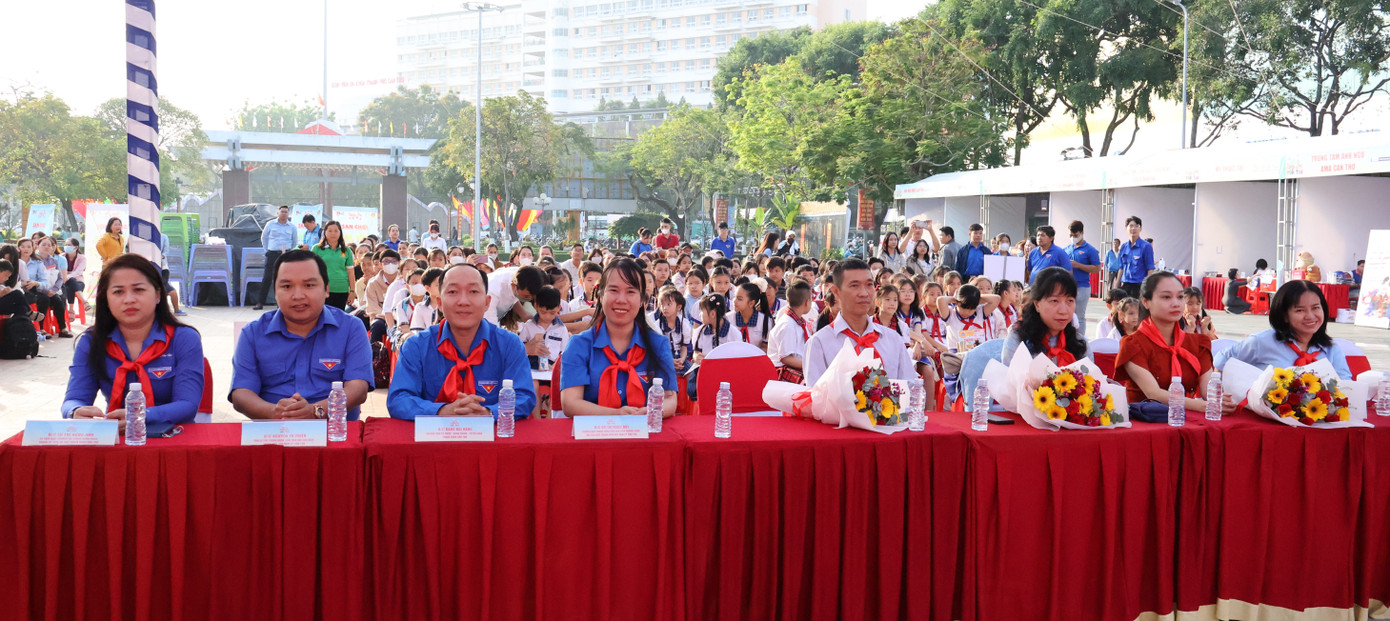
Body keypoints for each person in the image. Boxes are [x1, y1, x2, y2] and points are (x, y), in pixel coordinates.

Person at [62, 254, 204, 430]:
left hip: (173, 436)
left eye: (138, 290)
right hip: (116, 437)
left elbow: (187, 405)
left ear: (158, 295)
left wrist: (141, 416)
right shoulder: (90, 341)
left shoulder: (184, 338)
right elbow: (73, 399)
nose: (129, 299)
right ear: (106, 299)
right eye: (118, 292)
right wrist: (75, 411)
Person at [231, 250, 374, 420]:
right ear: (275, 292)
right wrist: (277, 412)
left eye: (309, 285)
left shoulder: (351, 328)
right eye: (287, 286)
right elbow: (241, 393)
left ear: (326, 289)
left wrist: (315, 411)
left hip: (335, 430)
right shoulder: (253, 333)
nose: (298, 295)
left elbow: (358, 388)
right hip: (272, 429)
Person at [387, 263, 537, 420]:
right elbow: (399, 399)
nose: (463, 301)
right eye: (453, 292)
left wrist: (487, 412)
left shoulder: (509, 345)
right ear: (440, 303)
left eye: (473, 291)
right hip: (433, 434)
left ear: (487, 302)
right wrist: (441, 411)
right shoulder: (416, 346)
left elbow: (524, 397)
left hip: (494, 433)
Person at [560, 258, 677, 417]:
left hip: (644, 428)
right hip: (594, 431)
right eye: (614, 290)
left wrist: (649, 413)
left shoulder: (658, 344)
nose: (621, 300)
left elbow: (670, 399)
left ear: (642, 300)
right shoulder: (579, 345)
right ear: (601, 296)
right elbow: (570, 403)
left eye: (630, 292)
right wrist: (617, 415)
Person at [1115, 272, 1229, 413]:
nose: (1176, 303)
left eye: (1180, 297)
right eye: (1166, 297)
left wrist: (1221, 401)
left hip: (1187, 418)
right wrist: (1205, 406)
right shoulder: (1133, 344)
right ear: (1146, 302)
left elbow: (1208, 391)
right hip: (1147, 420)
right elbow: (1154, 394)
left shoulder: (1198, 343)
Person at [804, 258, 919, 385]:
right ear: (836, 292)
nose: (864, 293)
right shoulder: (819, 344)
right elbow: (815, 394)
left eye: (869, 285)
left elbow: (909, 386)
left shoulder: (893, 339)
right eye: (854, 286)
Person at [1214, 279, 1353, 380]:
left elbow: (1347, 388)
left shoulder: (1331, 349)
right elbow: (1221, 361)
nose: (1310, 316)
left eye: (1316, 308)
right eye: (1300, 310)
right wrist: (1221, 396)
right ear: (1284, 315)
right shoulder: (1261, 342)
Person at [1000, 267, 1090, 365]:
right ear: (1037, 305)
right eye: (1054, 301)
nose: (1063, 311)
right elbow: (1010, 373)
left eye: (1070, 301)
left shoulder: (1079, 344)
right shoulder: (1018, 340)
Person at [767, 279, 815, 383]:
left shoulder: (797, 321)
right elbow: (785, 358)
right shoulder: (788, 325)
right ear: (807, 302)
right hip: (784, 371)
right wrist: (810, 364)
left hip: (797, 366)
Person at [25, 236, 72, 337]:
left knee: (58, 301)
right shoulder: (34, 260)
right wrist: (46, 291)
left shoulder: (54, 261)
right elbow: (34, 279)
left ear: (52, 248)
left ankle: (62, 328)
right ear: (37, 246)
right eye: (43, 245)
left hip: (51, 289)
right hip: (36, 290)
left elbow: (60, 278)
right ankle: (41, 329)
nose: (46, 247)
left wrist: (54, 290)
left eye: (49, 245)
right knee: (44, 300)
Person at [255, 205, 298, 310]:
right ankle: (260, 303)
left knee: (284, 279)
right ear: (277, 213)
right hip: (272, 253)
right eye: (282, 212)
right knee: (267, 278)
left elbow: (294, 241)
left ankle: (281, 303)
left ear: (288, 214)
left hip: (286, 255)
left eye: (286, 212)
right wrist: (267, 250)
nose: (284, 214)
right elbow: (264, 238)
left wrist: (288, 251)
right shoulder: (270, 224)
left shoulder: (292, 227)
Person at [1064, 221, 1102, 326]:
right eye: (1071, 235)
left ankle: (1080, 336)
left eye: (1075, 235)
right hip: (1067, 287)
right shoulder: (1066, 249)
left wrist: (1078, 265)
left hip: (1082, 287)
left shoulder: (1090, 250)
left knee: (1079, 317)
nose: (1073, 238)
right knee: (1067, 315)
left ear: (1082, 233)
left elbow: (1097, 268)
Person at [311, 220, 356, 310]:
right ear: (325, 232)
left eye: (336, 231)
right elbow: (311, 271)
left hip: (342, 290)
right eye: (330, 230)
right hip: (322, 290)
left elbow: (351, 272)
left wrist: (352, 291)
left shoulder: (346, 250)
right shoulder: (317, 249)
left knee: (338, 316)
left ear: (340, 232)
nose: (333, 233)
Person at [1116, 216, 1154, 298]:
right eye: (1131, 226)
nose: (1133, 229)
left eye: (1137, 226)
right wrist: (1116, 286)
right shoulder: (1124, 247)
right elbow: (1121, 268)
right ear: (1126, 229)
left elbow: (1150, 269)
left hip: (1139, 285)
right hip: (1125, 285)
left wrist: (1147, 288)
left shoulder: (1146, 246)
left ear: (1141, 229)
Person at [61, 238, 88, 315]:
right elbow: (59, 270)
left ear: (75, 247)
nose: (66, 246)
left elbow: (79, 271)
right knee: (70, 283)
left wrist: (68, 275)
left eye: (69, 245)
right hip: (64, 282)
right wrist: (67, 276)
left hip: (78, 281)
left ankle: (71, 310)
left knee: (72, 283)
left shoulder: (82, 258)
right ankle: (84, 301)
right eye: (66, 245)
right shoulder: (61, 257)